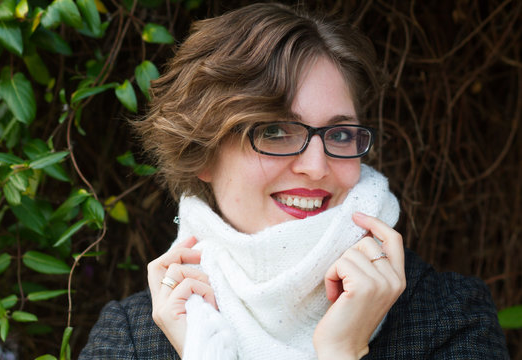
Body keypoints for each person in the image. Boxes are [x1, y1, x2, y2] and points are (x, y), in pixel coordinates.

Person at [79, 3, 508, 359]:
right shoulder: (132, 339)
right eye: (274, 132)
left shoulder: (449, 316)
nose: (316, 167)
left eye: (339, 134)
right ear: (201, 154)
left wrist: (343, 350)